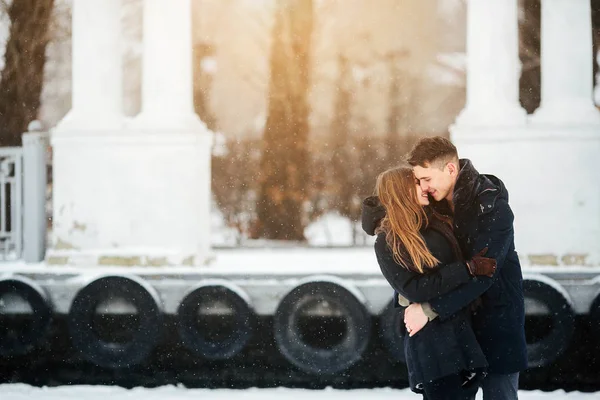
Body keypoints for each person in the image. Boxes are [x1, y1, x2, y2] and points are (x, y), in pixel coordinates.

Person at [397, 137, 527, 400]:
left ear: (451, 169)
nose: (423, 187)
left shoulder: (494, 209)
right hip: (453, 331)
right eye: (418, 181)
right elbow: (392, 200)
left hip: (496, 323)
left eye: (426, 179)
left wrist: (430, 309)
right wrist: (372, 212)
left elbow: (484, 275)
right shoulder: (433, 203)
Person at [364, 165, 496, 400]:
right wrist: (466, 269)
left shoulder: (432, 219)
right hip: (433, 343)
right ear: (401, 191)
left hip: (461, 329)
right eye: (416, 183)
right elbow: (414, 289)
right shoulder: (388, 239)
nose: (424, 187)